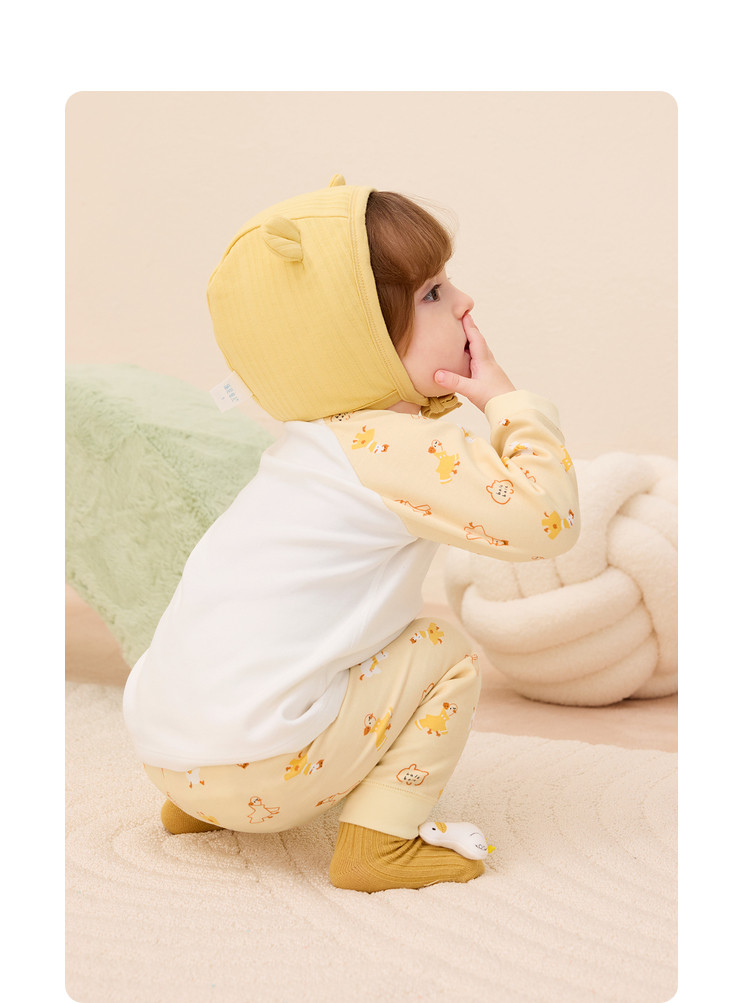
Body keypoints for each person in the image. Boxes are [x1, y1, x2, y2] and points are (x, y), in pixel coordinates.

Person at [122, 174, 581, 893]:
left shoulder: (307, 449)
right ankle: (378, 844)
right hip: (265, 770)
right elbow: (548, 521)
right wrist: (507, 401)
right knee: (446, 649)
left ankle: (201, 806)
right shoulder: (395, 448)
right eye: (433, 293)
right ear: (359, 339)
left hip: (165, 755)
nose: (465, 302)